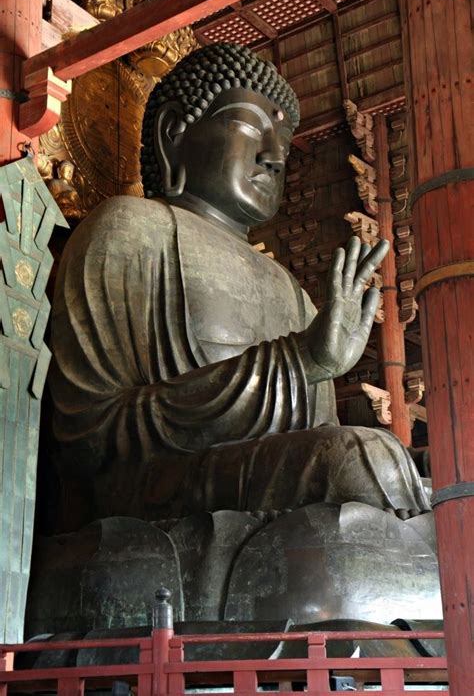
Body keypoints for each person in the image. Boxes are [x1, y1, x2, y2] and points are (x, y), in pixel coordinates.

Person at [49, 44, 430, 528]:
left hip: (260, 478)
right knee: (358, 461)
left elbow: (313, 438)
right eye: (251, 128)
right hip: (153, 487)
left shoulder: (289, 289)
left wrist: (312, 365)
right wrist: (301, 360)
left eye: (284, 146)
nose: (274, 158)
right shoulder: (128, 229)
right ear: (174, 135)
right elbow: (89, 439)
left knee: (415, 474)